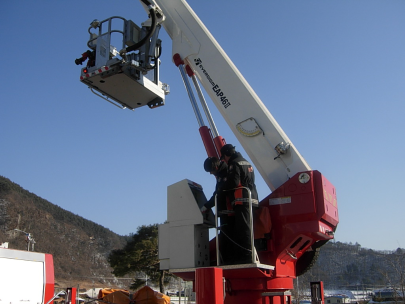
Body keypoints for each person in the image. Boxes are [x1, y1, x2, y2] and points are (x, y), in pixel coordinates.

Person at [219, 144, 258, 264]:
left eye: (223, 157)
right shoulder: (246, 162)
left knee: (243, 229)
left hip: (242, 199)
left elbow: (234, 182)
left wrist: (221, 189)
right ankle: (248, 254)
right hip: (252, 198)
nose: (224, 160)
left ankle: (246, 257)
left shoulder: (234, 163)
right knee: (249, 228)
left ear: (226, 154)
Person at [201, 156, 234, 265]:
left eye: (210, 171)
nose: (211, 173)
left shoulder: (225, 174)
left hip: (228, 210)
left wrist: (206, 206)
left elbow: (219, 194)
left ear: (215, 167)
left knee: (226, 237)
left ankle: (227, 261)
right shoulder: (222, 173)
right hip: (227, 210)